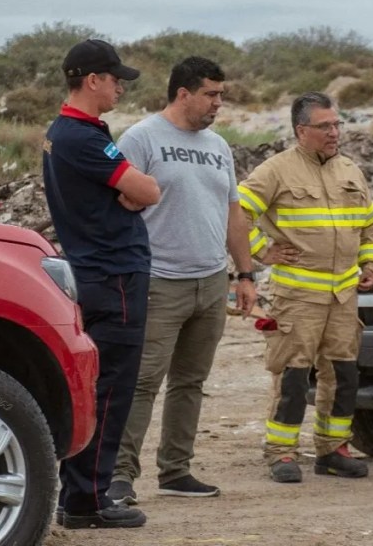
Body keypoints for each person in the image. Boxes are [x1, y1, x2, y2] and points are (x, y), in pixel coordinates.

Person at [109, 56, 257, 503]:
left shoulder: (218, 146)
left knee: (190, 381)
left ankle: (175, 470)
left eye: (221, 96)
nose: (218, 104)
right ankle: (118, 476)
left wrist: (245, 273)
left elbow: (233, 212)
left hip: (210, 282)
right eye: (211, 95)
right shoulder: (141, 137)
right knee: (141, 381)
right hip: (158, 279)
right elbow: (118, 203)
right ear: (183, 93)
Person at [42, 39, 160, 528]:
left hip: (95, 270)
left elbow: (134, 192)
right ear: (92, 80)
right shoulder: (82, 137)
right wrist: (132, 194)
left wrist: (129, 194)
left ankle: (80, 493)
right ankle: (88, 498)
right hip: (112, 276)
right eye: (115, 80)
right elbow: (149, 189)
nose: (119, 88)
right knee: (110, 389)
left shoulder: (66, 132)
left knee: (98, 383)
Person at [238, 91, 373, 483]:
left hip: (343, 298)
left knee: (343, 375)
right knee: (292, 376)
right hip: (297, 297)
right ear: (302, 130)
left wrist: (371, 262)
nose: (334, 132)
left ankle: (333, 450)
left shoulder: (350, 170)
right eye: (325, 126)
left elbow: (370, 224)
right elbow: (234, 216)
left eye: (337, 124)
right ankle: (281, 453)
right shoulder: (276, 170)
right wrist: (262, 251)